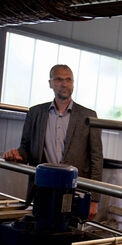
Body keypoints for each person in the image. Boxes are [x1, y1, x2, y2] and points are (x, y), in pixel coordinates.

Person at [3, 64, 103, 219]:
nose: (64, 84)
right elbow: (25, 148)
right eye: (59, 79)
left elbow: (96, 159)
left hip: (74, 190)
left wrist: (94, 199)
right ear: (50, 83)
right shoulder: (35, 113)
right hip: (43, 188)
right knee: (40, 231)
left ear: (73, 84)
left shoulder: (88, 116)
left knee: (68, 233)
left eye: (68, 80)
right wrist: (17, 154)